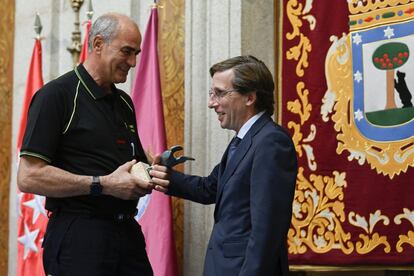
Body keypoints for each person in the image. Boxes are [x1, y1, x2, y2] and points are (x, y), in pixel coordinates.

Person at [17, 13, 167, 276]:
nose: (132, 62)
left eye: (136, 53)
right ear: (98, 44)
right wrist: (102, 184)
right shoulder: (56, 96)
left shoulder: (124, 102)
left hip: (126, 234)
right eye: (126, 51)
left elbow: (129, 166)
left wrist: (149, 168)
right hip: (80, 236)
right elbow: (29, 177)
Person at [162, 55, 298, 275]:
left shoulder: (271, 142)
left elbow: (267, 232)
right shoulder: (243, 141)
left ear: (249, 98)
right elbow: (210, 188)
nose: (211, 103)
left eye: (220, 93)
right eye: (211, 93)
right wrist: (161, 177)